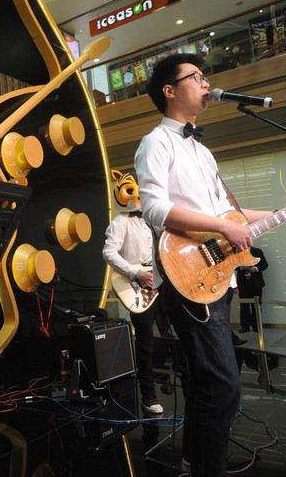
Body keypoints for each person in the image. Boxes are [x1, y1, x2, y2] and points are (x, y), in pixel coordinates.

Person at [133, 53, 286, 476]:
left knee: (207, 384)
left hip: (217, 277)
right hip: (185, 276)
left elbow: (229, 215)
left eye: (205, 77)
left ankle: (193, 463)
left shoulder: (202, 150)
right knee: (224, 386)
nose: (206, 83)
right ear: (169, 90)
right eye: (196, 77)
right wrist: (222, 226)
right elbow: (155, 208)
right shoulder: (156, 142)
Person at [102, 169, 163, 415]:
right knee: (145, 341)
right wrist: (136, 272)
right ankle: (148, 394)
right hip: (139, 286)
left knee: (175, 332)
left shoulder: (151, 219)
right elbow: (108, 252)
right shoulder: (120, 222)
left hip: (162, 282)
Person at [236, 247, 268, 333]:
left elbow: (265, 265)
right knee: (244, 305)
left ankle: (256, 326)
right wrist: (242, 268)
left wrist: (256, 269)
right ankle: (245, 326)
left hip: (256, 283)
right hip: (243, 283)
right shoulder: (237, 252)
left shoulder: (257, 251)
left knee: (256, 305)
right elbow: (233, 266)